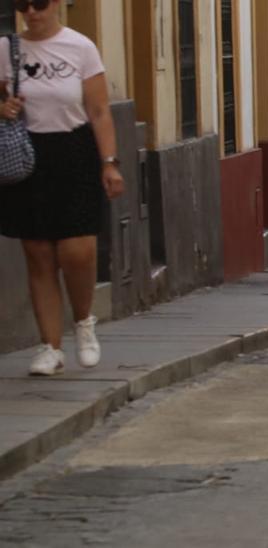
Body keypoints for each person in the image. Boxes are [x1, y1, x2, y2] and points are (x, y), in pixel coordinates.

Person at [0, 0, 124, 376]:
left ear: (55, 4)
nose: (31, 12)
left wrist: (109, 164)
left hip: (74, 151)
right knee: (38, 253)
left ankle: (83, 322)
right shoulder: (6, 50)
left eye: (39, 3)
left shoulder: (80, 47)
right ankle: (50, 347)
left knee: (78, 251)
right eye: (22, 5)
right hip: (26, 154)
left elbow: (99, 110)